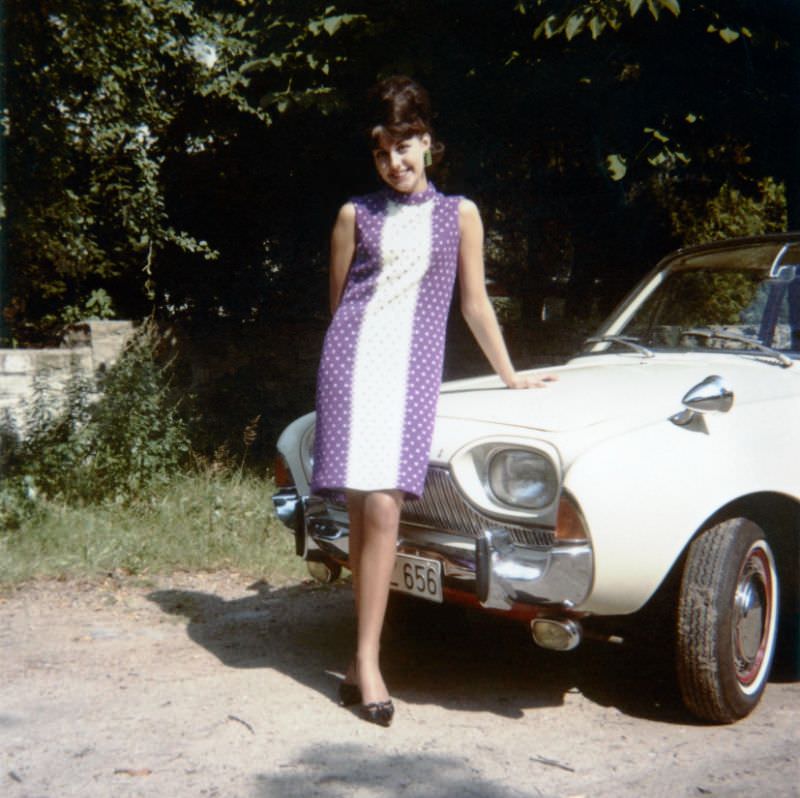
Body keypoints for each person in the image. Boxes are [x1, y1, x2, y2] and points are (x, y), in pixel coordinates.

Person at [310, 75, 555, 727]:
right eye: (383, 152)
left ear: (428, 142)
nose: (395, 162)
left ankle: (364, 659)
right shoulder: (351, 215)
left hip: (410, 373)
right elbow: (340, 308)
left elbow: (474, 303)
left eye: (405, 146)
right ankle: (366, 663)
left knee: (385, 508)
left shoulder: (459, 214)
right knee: (365, 510)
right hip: (353, 366)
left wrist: (510, 375)